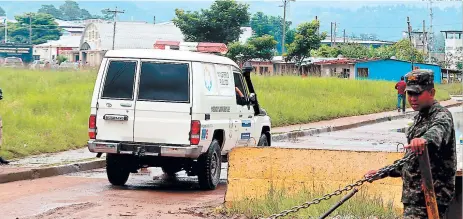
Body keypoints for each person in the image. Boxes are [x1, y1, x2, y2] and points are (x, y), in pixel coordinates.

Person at [366, 69, 457, 219]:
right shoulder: (419, 118)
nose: (413, 98)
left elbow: (437, 132)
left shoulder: (441, 115)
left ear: (432, 92)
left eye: (418, 93)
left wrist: (424, 140)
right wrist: (381, 173)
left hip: (430, 198)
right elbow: (408, 162)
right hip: (414, 198)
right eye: (410, 93)